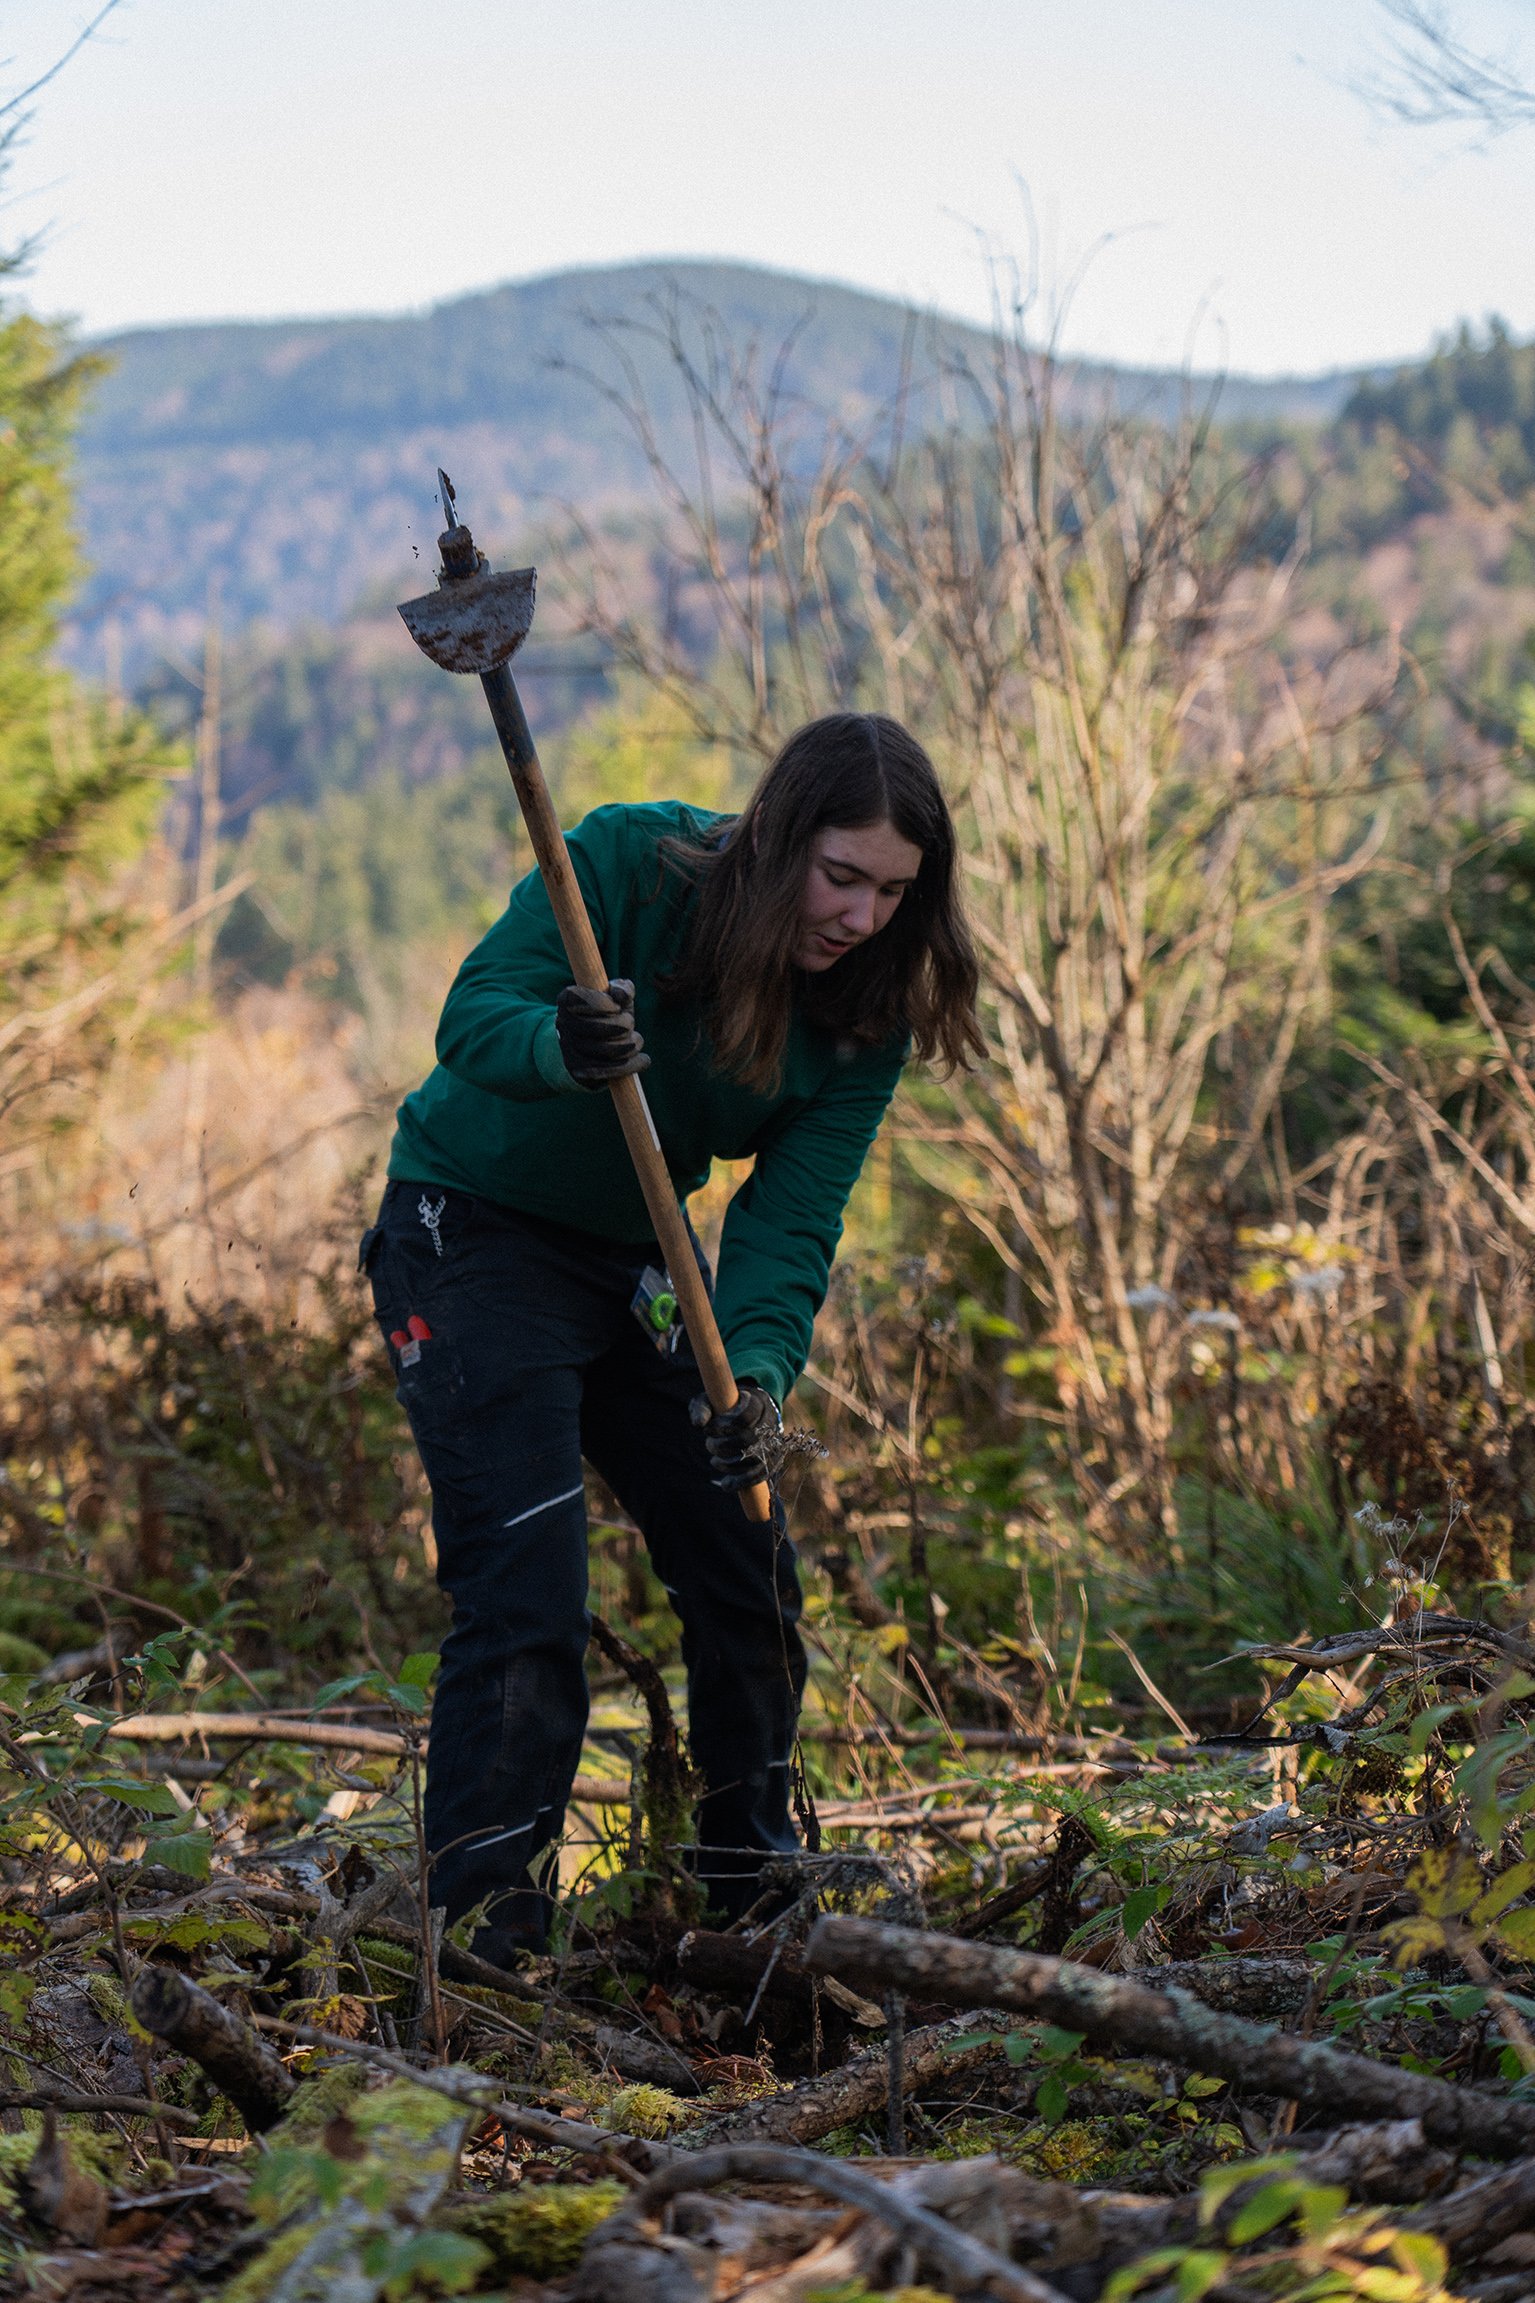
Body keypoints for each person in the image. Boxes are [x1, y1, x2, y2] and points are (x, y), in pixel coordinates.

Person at [359, 710, 981, 1967]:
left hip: (639, 1255)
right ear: (777, 837)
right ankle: (486, 1944)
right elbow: (474, 1017)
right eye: (840, 876)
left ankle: (749, 1896)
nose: (860, 916)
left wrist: (751, 1378)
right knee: (527, 1584)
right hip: (468, 1231)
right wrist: (560, 1044)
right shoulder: (628, 865)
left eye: (892, 892)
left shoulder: (865, 1014)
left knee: (743, 1552)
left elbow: (786, 1224)